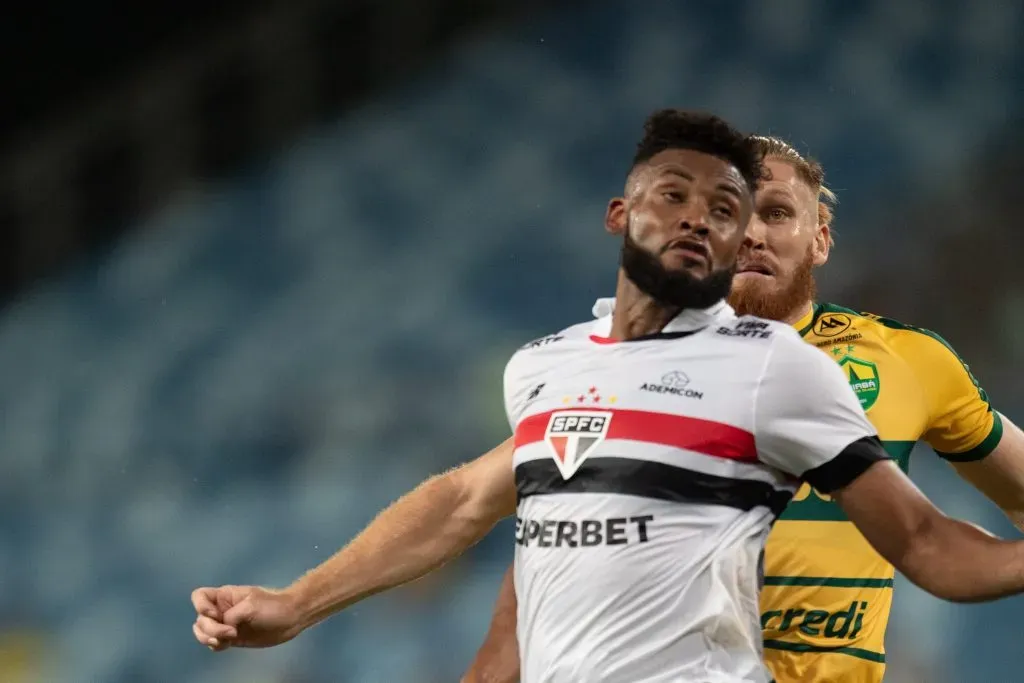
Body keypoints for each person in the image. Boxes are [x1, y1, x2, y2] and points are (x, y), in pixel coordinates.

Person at [192, 111, 1024, 683]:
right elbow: (466, 502)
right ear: (620, 214)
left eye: (737, 210)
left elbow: (922, 539)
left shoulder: (780, 365)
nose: (709, 221)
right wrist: (295, 603)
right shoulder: (550, 366)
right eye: (676, 196)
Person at [461, 135, 1024, 683]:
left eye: (777, 213)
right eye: (736, 215)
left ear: (820, 240)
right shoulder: (623, 368)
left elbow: (964, 522)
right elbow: (526, 559)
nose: (754, 233)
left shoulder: (907, 361)